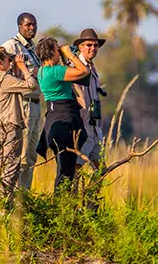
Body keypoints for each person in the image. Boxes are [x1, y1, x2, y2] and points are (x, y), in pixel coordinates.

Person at [34, 37, 90, 191]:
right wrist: (70, 55)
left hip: (53, 118)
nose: (59, 52)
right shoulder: (55, 71)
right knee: (66, 170)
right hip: (64, 118)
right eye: (57, 50)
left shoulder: (42, 71)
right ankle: (61, 206)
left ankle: (62, 205)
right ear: (51, 52)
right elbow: (84, 71)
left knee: (63, 167)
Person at [0, 46, 37, 201]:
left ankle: (1, 199)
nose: (10, 62)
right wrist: (24, 68)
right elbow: (31, 85)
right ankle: (3, 201)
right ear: (0, 63)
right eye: (8, 60)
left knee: (2, 163)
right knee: (12, 165)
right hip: (9, 124)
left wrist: (15, 69)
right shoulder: (4, 79)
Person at [2, 12, 43, 191]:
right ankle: (12, 199)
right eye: (28, 25)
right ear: (19, 27)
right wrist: (24, 72)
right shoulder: (12, 46)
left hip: (35, 104)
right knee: (21, 156)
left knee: (31, 156)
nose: (32, 28)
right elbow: (0, 73)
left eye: (34, 24)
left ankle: (24, 198)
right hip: (22, 105)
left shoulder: (33, 48)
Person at [71, 28, 107, 169]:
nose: (93, 48)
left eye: (95, 45)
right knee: (76, 169)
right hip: (81, 127)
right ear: (80, 47)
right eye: (89, 45)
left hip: (94, 127)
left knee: (101, 170)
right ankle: (73, 192)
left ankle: (88, 193)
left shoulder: (93, 68)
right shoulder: (74, 67)